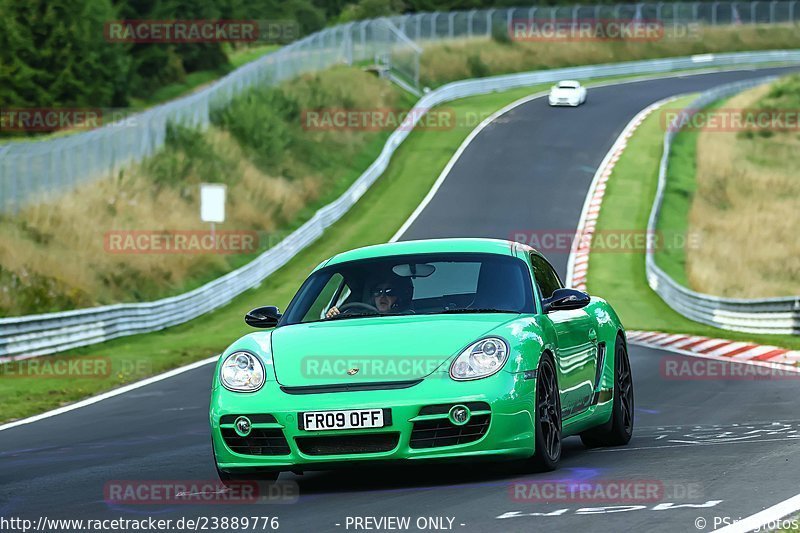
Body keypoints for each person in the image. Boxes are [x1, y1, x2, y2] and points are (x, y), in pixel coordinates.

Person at [326, 273, 412, 318]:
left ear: (398, 297)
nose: (382, 296)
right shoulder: (358, 315)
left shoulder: (408, 316)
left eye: (389, 292)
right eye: (378, 292)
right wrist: (333, 315)